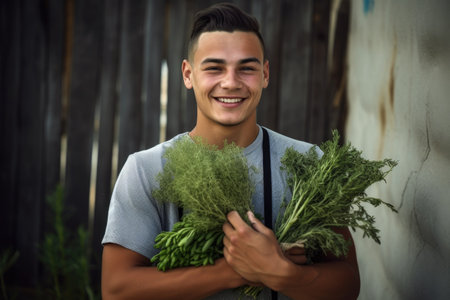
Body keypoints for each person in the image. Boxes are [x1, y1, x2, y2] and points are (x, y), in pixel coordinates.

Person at [101, 3, 360, 299]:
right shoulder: (146, 169)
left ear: (265, 74)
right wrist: (235, 269)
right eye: (214, 68)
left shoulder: (312, 165)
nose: (231, 82)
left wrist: (284, 273)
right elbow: (116, 290)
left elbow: (348, 284)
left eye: (246, 69)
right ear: (188, 75)